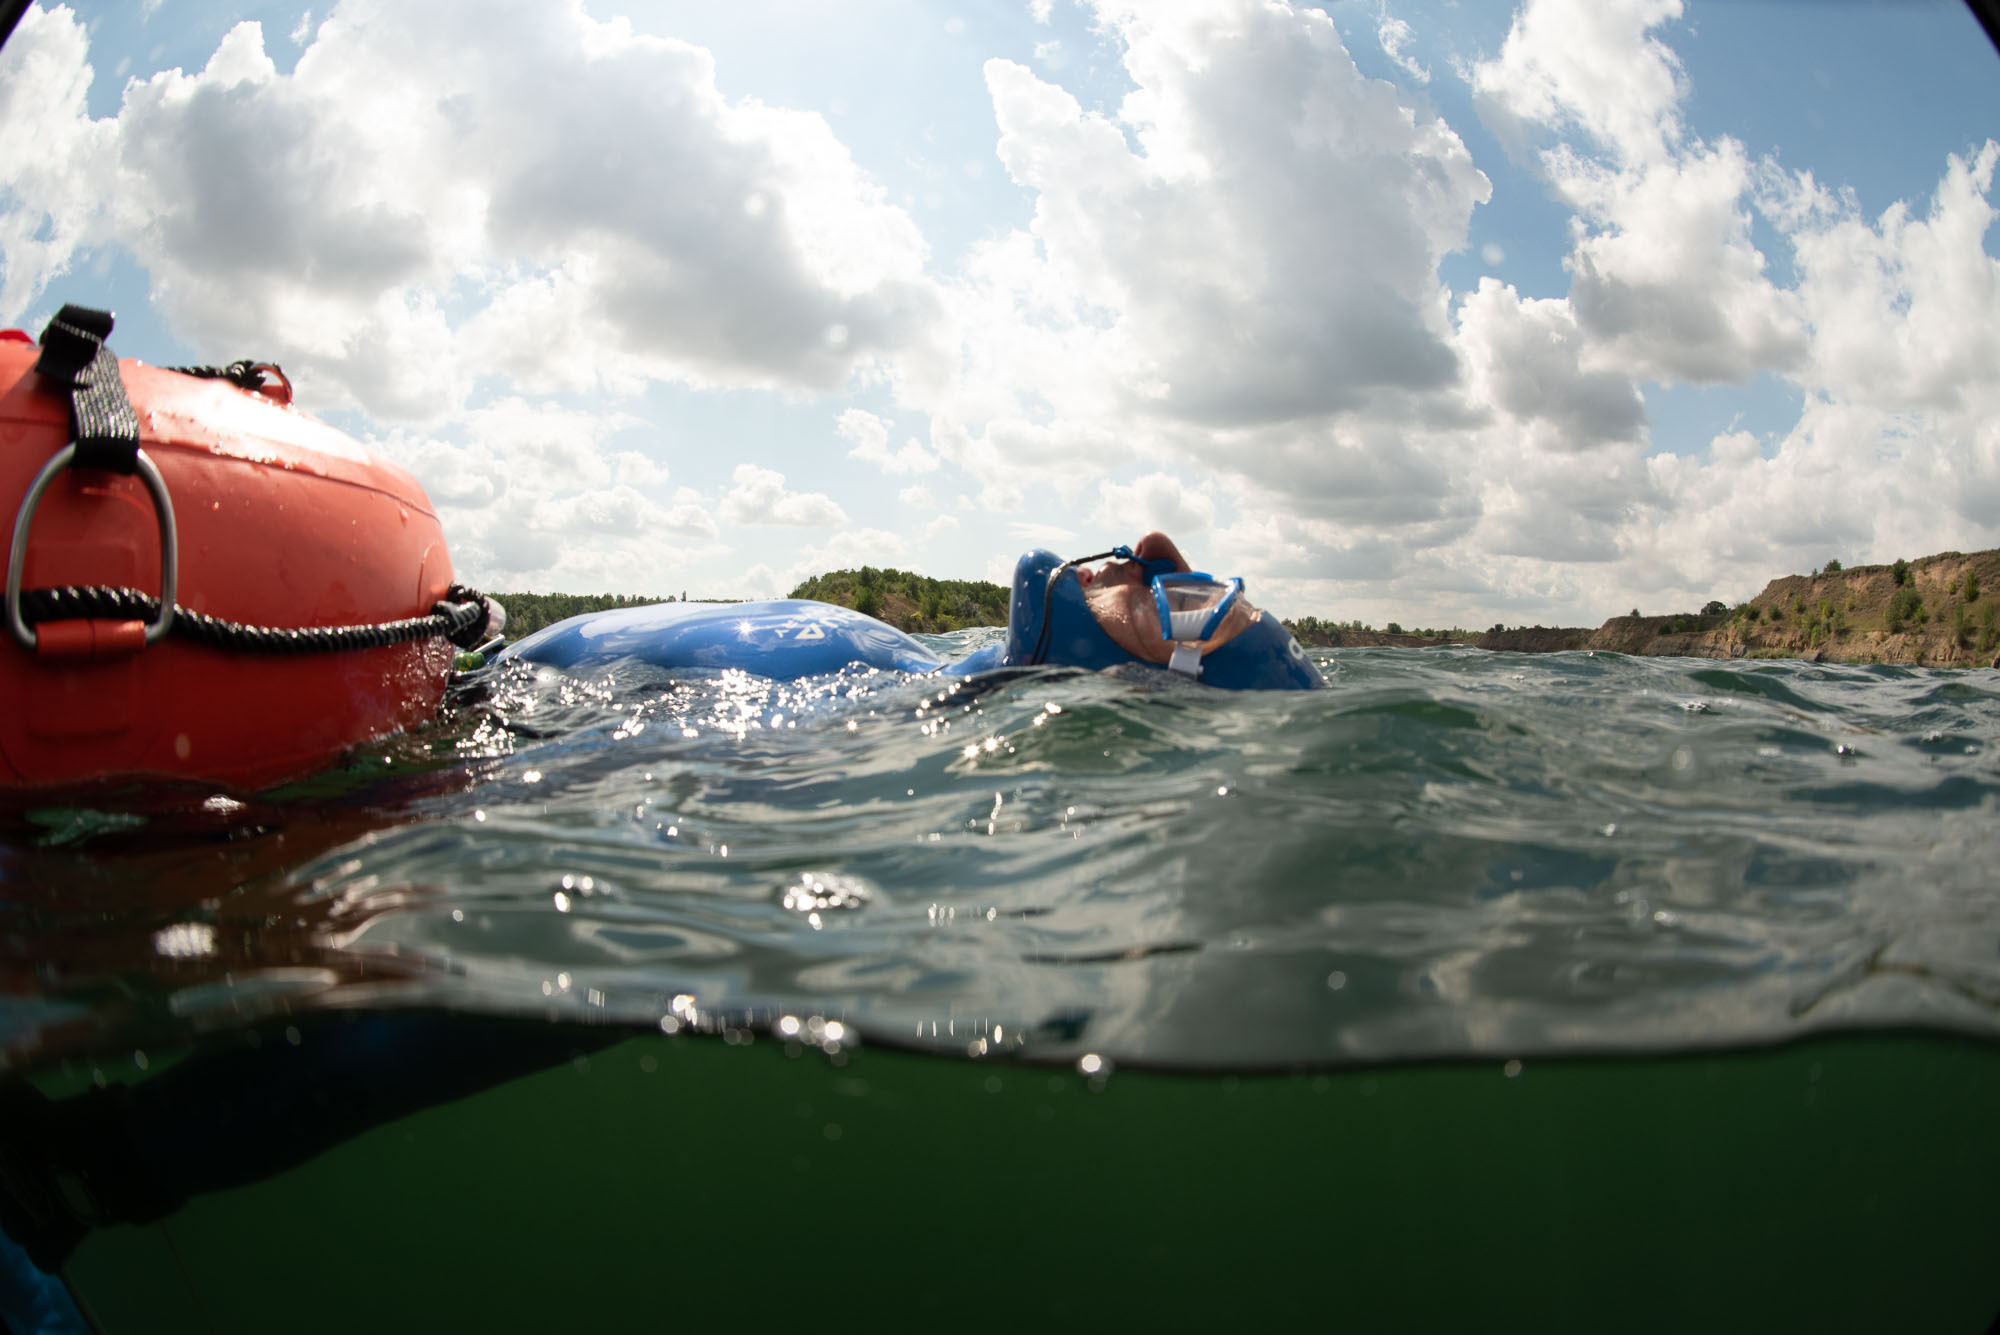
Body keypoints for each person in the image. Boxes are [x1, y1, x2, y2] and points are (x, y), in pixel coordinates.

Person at [501, 532, 1323, 691]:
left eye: (1185, 599)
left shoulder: (852, 735)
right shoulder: (903, 666)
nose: (1156, 547)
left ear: (1152, 683)